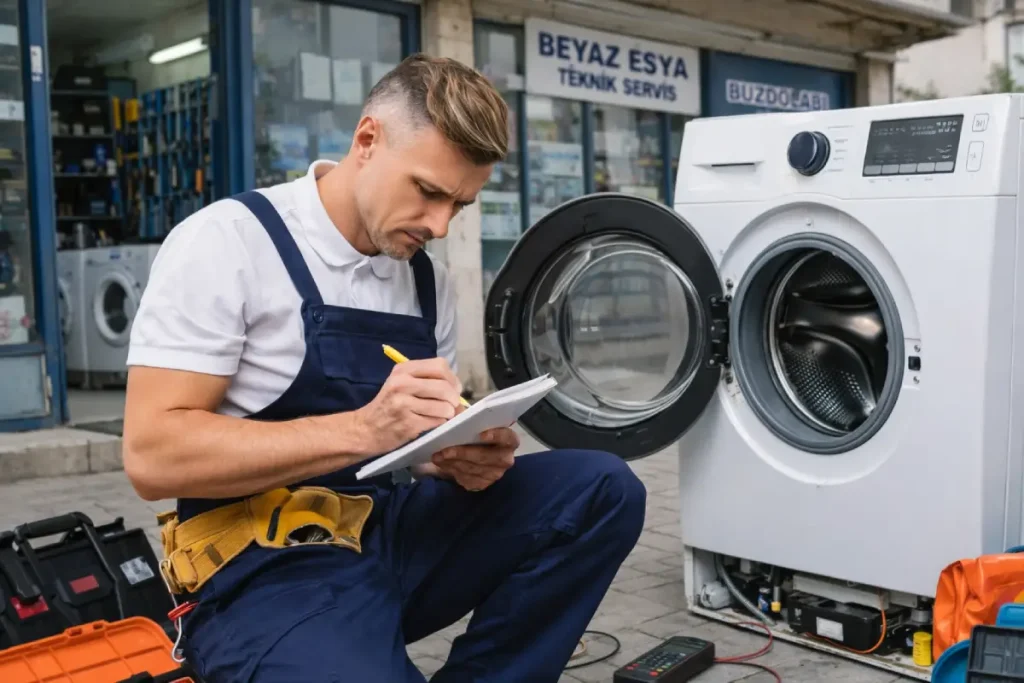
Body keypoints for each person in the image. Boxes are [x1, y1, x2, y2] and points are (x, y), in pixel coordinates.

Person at [122, 53, 646, 683]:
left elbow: (415, 452)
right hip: (262, 568)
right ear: (367, 139)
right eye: (428, 191)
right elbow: (152, 458)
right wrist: (366, 429)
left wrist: (456, 455)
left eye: (460, 204)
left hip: (386, 533)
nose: (439, 224)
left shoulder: (428, 280)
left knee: (602, 490)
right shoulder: (227, 244)